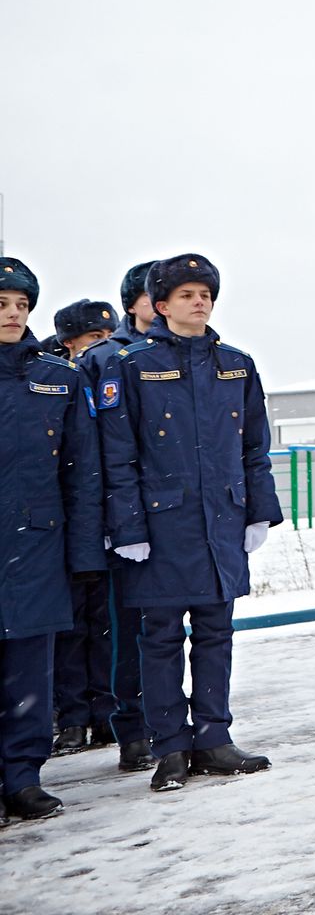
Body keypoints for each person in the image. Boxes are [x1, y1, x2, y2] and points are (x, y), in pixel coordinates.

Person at [97, 254, 283, 792]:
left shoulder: (236, 364)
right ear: (160, 306)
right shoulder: (131, 366)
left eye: (205, 294)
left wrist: (259, 511)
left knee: (216, 634)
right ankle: (170, 748)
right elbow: (118, 455)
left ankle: (213, 738)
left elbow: (255, 447)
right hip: (161, 528)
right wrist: (128, 527)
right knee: (159, 639)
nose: (199, 302)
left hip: (221, 522)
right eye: (186, 295)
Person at [0, 258, 106, 821]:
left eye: (21, 305)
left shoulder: (58, 377)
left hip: (37, 545)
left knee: (29, 671)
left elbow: (83, 472)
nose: (14, 314)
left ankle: (22, 778)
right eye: (2, 305)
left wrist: (85, 554)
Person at [79, 260, 158, 772]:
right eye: (153, 294)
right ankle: (131, 727)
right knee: (125, 629)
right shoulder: (105, 359)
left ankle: (170, 722)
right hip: (123, 518)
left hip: (173, 517)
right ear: (134, 303)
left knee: (166, 632)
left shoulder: (189, 354)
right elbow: (91, 450)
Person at [44, 300, 123, 757]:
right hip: (65, 523)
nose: (103, 347)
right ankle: (72, 717)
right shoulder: (54, 384)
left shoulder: (117, 383)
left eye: (109, 337)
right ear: (69, 343)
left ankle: (106, 712)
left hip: (107, 522)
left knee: (105, 624)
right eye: (94, 338)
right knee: (69, 628)